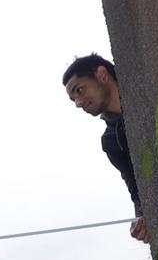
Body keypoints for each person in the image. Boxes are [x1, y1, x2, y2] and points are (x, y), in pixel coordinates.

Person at [62, 53, 149, 242]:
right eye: (73, 99)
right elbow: (136, 188)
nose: (78, 103)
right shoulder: (111, 141)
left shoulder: (148, 85)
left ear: (102, 74)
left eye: (80, 90)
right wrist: (142, 219)